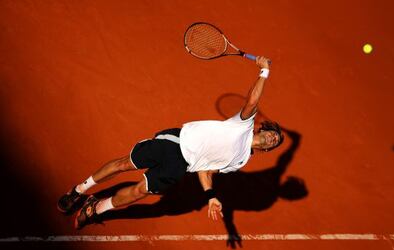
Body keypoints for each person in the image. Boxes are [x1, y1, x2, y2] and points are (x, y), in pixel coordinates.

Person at [57, 56, 284, 229]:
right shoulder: (244, 124)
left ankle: (96, 208)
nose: (274, 138)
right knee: (124, 164)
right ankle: (79, 190)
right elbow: (253, 99)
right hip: (175, 141)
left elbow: (206, 171)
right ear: (264, 128)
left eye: (275, 143)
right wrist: (264, 71)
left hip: (180, 167)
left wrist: (211, 196)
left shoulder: (240, 161)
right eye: (274, 134)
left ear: (267, 149)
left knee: (140, 192)